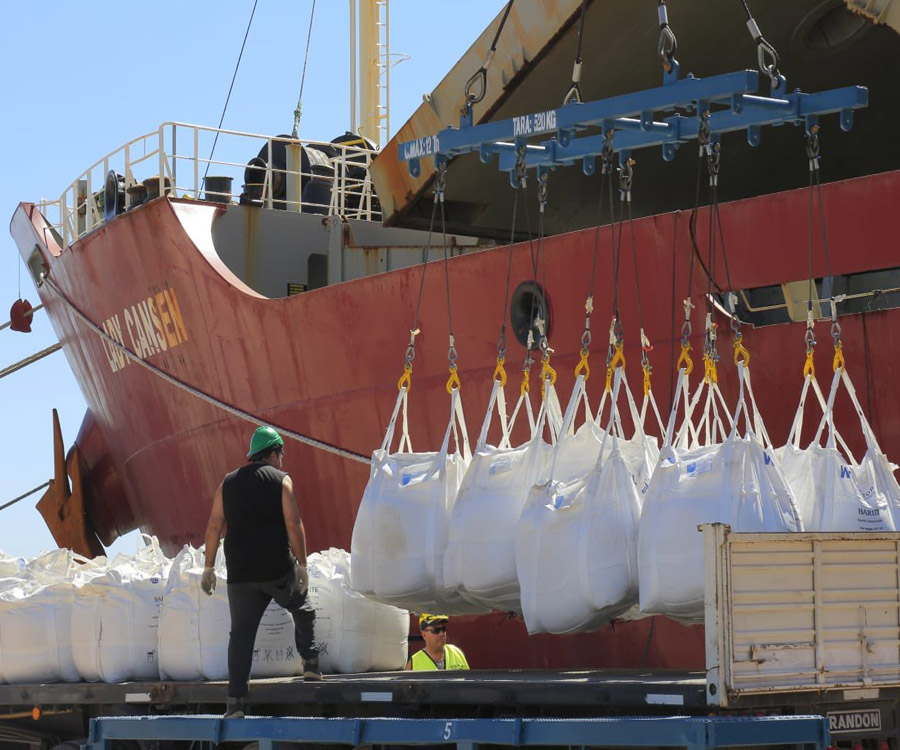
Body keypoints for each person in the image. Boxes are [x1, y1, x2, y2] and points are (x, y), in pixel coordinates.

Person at [202, 425, 321, 719]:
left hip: (240, 574)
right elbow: (294, 524)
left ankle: (235, 704)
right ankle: (310, 664)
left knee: (240, 636)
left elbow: (214, 526)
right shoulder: (282, 480)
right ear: (273, 453)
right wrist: (302, 563)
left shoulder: (226, 484)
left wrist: (208, 567)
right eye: (280, 454)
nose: (282, 460)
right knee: (303, 608)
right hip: (276, 569)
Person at [405, 614, 470, 671]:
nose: (442, 634)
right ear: (424, 635)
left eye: (443, 629)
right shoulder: (414, 662)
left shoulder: (456, 652)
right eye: (436, 630)